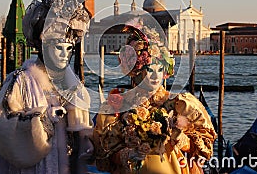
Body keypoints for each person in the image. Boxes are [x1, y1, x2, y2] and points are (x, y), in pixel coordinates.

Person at [0, 0, 93, 174]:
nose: (64, 55)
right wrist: (42, 120)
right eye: (58, 48)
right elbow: (2, 125)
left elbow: (84, 130)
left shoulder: (73, 85)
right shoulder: (20, 81)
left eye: (69, 49)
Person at [93, 24, 217, 174]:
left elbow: (203, 151)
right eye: (150, 70)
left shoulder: (180, 104)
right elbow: (104, 154)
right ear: (136, 71)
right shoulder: (119, 104)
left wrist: (178, 135)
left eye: (160, 70)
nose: (155, 76)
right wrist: (129, 155)